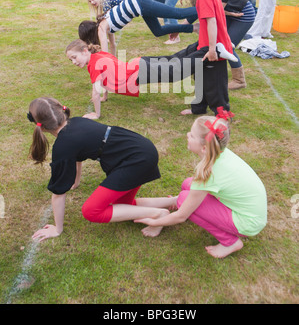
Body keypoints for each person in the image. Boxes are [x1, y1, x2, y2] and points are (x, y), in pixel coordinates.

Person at [28, 97, 172, 242]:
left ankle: (158, 215)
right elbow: (77, 157)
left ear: (42, 127)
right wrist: (75, 182)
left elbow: (58, 193)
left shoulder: (63, 145)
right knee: (123, 207)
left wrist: (57, 229)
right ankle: (176, 202)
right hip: (142, 149)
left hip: (136, 161)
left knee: (91, 211)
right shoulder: (76, 121)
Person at [135, 113, 267, 259]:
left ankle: (230, 242)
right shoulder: (219, 153)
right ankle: (174, 201)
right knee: (187, 184)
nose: (187, 135)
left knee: (185, 200)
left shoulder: (207, 172)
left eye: (191, 135)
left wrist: (154, 221)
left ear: (204, 148)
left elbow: (180, 217)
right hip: (251, 212)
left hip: (247, 222)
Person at [66, 39, 234, 119]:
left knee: (176, 71)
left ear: (84, 50)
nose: (74, 62)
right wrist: (105, 96)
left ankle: (214, 50)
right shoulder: (97, 55)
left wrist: (96, 113)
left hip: (140, 71)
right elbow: (105, 79)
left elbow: (95, 91)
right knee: (174, 60)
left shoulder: (94, 64)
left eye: (74, 57)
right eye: (70, 60)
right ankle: (202, 46)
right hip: (139, 63)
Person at [184, 0, 255, 90]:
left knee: (227, 46)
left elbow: (216, 11)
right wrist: (180, 28)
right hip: (232, 14)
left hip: (243, 15)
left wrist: (230, 14)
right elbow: (198, 12)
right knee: (215, 42)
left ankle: (239, 80)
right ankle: (209, 72)